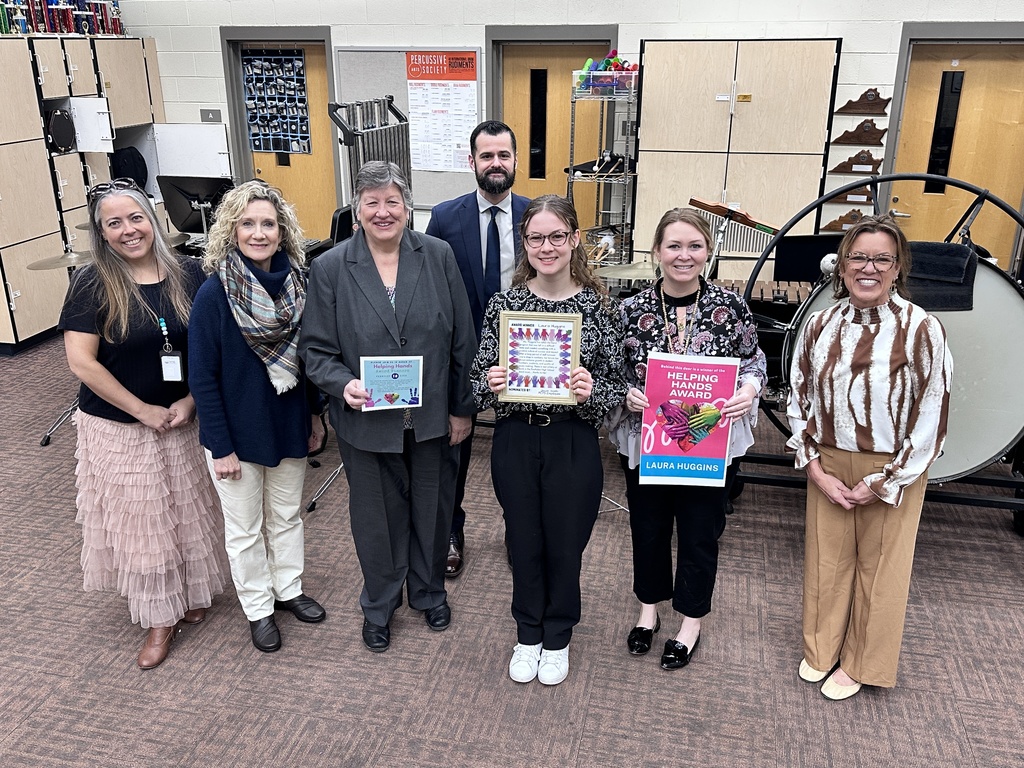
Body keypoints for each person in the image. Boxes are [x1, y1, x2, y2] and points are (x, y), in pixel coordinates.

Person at [300, 161, 477, 653]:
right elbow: (315, 350)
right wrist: (343, 383)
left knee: (434, 510)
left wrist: (462, 408)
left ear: (407, 206)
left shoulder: (438, 255)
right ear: (357, 209)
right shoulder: (330, 267)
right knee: (375, 521)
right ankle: (379, 604)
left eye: (392, 201)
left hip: (433, 419)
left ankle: (428, 592)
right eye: (372, 202)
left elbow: (464, 337)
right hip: (366, 421)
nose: (383, 212)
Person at [59, 178, 229, 670]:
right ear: (101, 233)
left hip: (181, 418)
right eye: (114, 223)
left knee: (186, 507)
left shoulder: (192, 272)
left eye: (135, 218)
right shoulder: (91, 282)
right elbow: (82, 363)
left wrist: (193, 399)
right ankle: (159, 617)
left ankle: (192, 593)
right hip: (119, 424)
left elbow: (212, 347)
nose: (128, 230)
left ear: (151, 218)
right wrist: (143, 410)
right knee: (143, 520)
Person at [787, 214, 952, 700]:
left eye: (882, 258)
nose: (869, 268)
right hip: (829, 463)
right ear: (841, 266)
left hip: (893, 469)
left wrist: (888, 478)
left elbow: (933, 412)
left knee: (881, 571)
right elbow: (797, 395)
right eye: (858, 257)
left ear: (898, 267)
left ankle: (863, 663)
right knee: (826, 563)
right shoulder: (820, 323)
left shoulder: (922, 329)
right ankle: (821, 649)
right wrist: (813, 465)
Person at [473, 194, 626, 686]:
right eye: (536, 237)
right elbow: (476, 383)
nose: (547, 246)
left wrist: (590, 390)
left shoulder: (599, 307)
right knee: (523, 538)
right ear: (524, 243)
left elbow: (616, 386)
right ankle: (527, 633)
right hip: (516, 438)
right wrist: (491, 381)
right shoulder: (506, 305)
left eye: (557, 236)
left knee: (566, 543)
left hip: (573, 441)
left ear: (575, 239)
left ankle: (558, 635)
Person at [608, 208, 767, 671]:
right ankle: (649, 610)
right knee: (648, 529)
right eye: (673, 246)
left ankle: (690, 620)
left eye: (694, 246)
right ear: (656, 251)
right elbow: (610, 372)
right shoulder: (629, 310)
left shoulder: (731, 307)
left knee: (700, 534)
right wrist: (627, 393)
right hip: (648, 440)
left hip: (711, 445)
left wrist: (748, 391)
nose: (684, 256)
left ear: (708, 252)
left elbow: (754, 362)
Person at [188, 180, 326, 654]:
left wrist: (314, 417)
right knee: (245, 528)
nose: (259, 232)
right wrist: (219, 445)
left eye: (268, 223)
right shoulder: (214, 293)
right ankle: (258, 607)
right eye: (248, 223)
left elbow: (309, 361)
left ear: (282, 230)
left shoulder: (300, 285)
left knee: (286, 516)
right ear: (232, 230)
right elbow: (201, 377)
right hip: (236, 433)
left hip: (287, 419)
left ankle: (288, 589)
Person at [425, 120, 531, 577]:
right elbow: (429, 290)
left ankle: (519, 530)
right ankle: (451, 529)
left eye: (503, 155)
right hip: (462, 354)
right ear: (472, 162)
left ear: (515, 160)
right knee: (455, 449)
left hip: (526, 354)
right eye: (486, 156)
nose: (495, 164)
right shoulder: (445, 218)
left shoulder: (536, 215)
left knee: (522, 453)